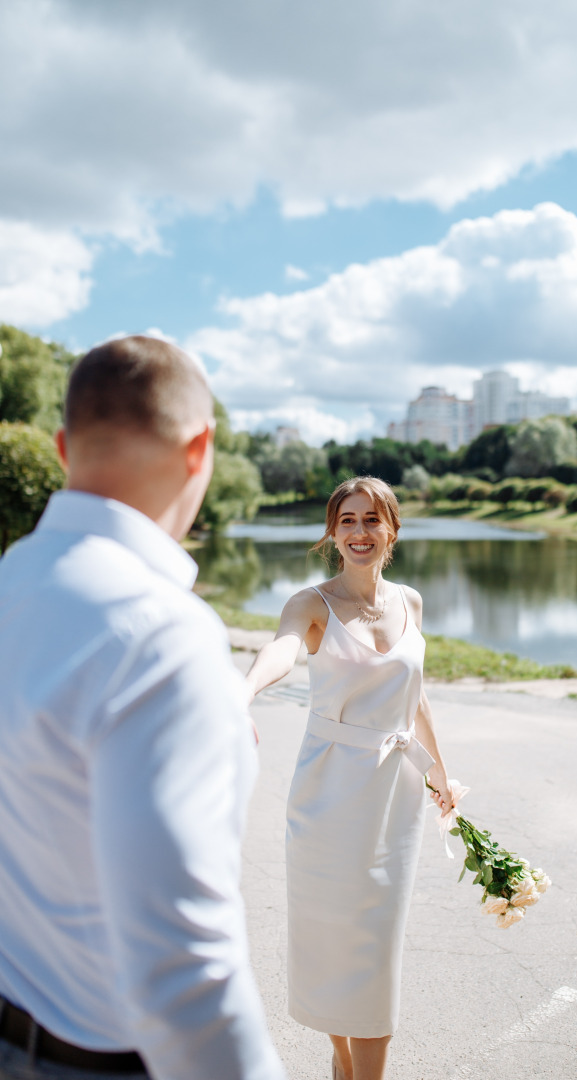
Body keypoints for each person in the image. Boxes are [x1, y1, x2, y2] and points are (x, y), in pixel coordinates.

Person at [0, 336, 284, 1080]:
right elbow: (181, 970)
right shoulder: (160, 635)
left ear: (63, 447)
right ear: (199, 450)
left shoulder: (12, 584)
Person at [245, 476, 454, 1080]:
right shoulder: (312, 603)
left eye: (372, 520)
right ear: (332, 533)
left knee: (375, 948)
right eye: (347, 521)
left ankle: (354, 1069)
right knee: (334, 945)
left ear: (392, 529)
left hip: (395, 796)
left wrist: (441, 773)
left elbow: (415, 696)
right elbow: (282, 649)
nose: (360, 532)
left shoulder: (410, 601)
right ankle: (346, 1062)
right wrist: (244, 690)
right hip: (328, 795)